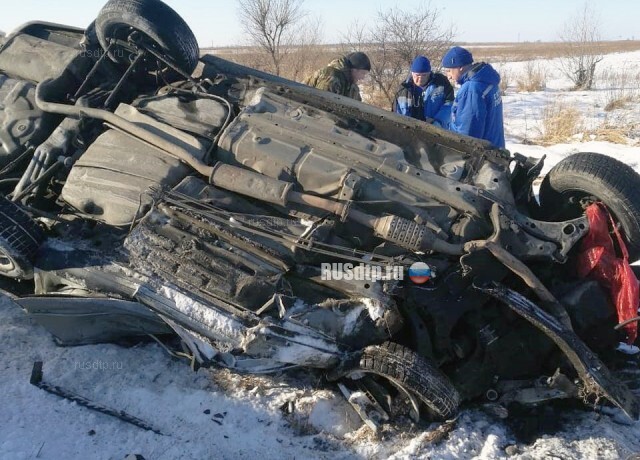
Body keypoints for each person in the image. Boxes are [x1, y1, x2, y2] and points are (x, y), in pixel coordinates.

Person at [441, 46, 505, 148]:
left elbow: (467, 132)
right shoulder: (488, 80)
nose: (448, 76)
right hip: (495, 146)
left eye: (449, 71)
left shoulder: (472, 89)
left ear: (460, 67)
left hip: (481, 156)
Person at [392, 55, 454, 129]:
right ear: (412, 73)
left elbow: (450, 105)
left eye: (424, 75)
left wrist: (438, 122)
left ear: (429, 73)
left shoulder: (441, 83)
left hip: (436, 130)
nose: (420, 79)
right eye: (417, 75)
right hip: (409, 132)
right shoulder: (403, 89)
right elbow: (396, 114)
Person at [304, 52, 371, 101]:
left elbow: (357, 108)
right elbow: (319, 103)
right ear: (354, 70)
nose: (362, 77)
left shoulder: (352, 87)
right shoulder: (332, 77)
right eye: (363, 73)